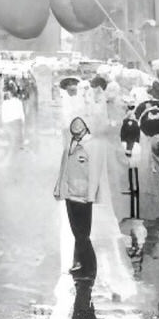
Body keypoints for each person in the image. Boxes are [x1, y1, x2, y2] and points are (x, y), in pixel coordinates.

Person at [55, 116, 108, 279]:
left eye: (79, 134)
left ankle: (89, 266)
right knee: (77, 232)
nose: (77, 137)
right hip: (70, 194)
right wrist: (59, 188)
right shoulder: (70, 145)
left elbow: (95, 173)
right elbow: (63, 168)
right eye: (74, 134)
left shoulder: (92, 147)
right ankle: (81, 263)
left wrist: (91, 195)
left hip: (83, 197)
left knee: (82, 234)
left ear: (85, 130)